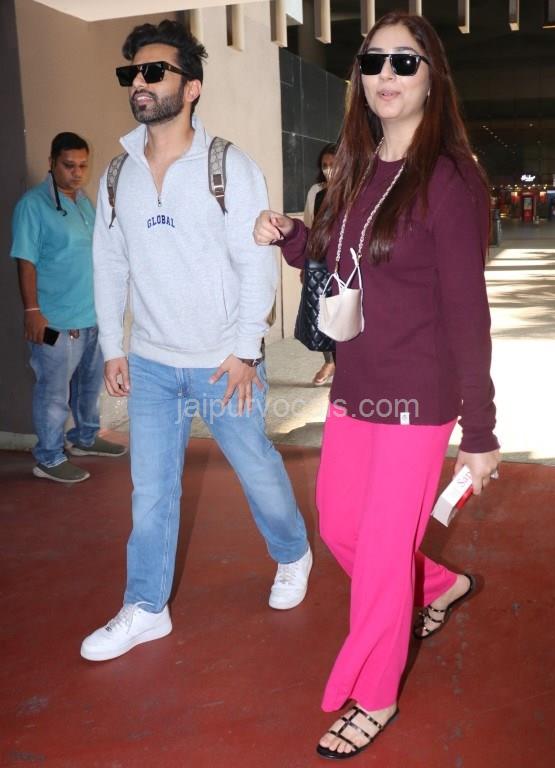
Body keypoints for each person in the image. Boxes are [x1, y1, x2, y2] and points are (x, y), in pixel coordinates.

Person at [254, 11, 500, 760]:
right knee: (340, 529)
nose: (386, 75)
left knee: (385, 557)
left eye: (404, 61)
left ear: (431, 78)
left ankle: (375, 692)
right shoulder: (358, 169)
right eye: (373, 62)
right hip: (357, 386)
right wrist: (294, 238)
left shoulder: (450, 179)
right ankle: (438, 586)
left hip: (419, 397)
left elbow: (469, 312)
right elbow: (343, 260)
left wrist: (480, 431)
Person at [81, 20, 312, 662]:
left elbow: (255, 264)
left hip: (222, 362)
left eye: (154, 71)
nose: (140, 82)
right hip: (152, 364)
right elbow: (110, 264)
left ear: (192, 88)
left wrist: (246, 351)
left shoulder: (228, 167)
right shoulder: (117, 174)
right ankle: (145, 607)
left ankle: (293, 553)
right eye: (132, 72)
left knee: (256, 466)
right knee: (151, 490)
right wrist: (113, 347)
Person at [10, 132, 127, 484]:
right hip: (55, 322)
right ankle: (48, 457)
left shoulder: (83, 202)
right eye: (68, 165)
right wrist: (32, 312)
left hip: (91, 316)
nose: (76, 173)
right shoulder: (33, 205)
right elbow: (26, 260)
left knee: (89, 387)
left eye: (82, 166)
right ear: (52, 163)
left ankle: (85, 437)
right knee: (53, 393)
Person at [303, 143, 337, 385]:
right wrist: (307, 266)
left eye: (333, 165)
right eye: (325, 165)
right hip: (320, 262)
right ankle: (330, 360)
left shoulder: (356, 190)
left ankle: (344, 364)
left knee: (344, 314)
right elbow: (309, 229)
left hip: (348, 265)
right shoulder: (317, 192)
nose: (328, 170)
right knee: (321, 314)